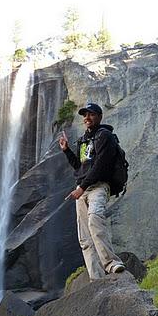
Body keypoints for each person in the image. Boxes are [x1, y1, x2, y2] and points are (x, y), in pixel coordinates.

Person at [59, 102, 125, 281]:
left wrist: (81, 188)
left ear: (99, 116)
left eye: (91, 114)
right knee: (84, 237)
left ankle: (111, 263)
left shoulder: (105, 136)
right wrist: (66, 151)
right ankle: (96, 278)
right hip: (82, 189)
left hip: (98, 186)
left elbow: (101, 166)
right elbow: (80, 168)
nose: (87, 118)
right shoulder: (84, 140)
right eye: (84, 115)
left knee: (95, 219)